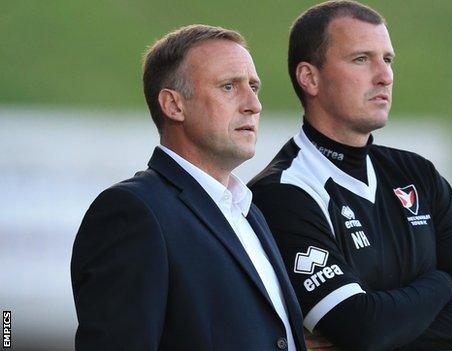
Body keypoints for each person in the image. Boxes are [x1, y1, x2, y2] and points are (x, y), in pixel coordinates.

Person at [249, 1, 452, 350]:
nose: (384, 75)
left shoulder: (419, 174)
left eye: (387, 59)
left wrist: (380, 332)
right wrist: (442, 283)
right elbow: (361, 327)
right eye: (361, 59)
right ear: (309, 77)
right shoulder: (282, 193)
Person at [71, 24, 305, 350]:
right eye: (228, 87)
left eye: (254, 87)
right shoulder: (133, 212)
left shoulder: (249, 214)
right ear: (173, 105)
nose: (254, 104)